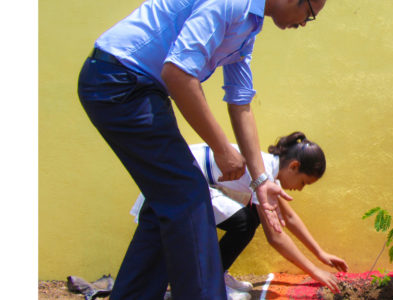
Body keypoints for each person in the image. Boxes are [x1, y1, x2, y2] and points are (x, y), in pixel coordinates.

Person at [76, 0, 327, 298]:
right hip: (119, 80)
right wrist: (221, 147)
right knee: (188, 196)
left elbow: (240, 102)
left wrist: (260, 182)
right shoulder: (232, 4)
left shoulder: (248, 26)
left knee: (168, 202)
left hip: (138, 87)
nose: (303, 23)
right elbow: (178, 74)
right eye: (309, 15)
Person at [130, 132, 347, 298]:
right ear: (294, 166)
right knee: (244, 222)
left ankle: (217, 274)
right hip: (179, 182)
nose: (300, 189)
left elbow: (288, 217)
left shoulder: (267, 171)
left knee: (249, 219)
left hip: (190, 182)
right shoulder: (264, 172)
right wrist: (315, 271)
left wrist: (320, 253)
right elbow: (276, 237)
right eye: (303, 183)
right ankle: (214, 282)